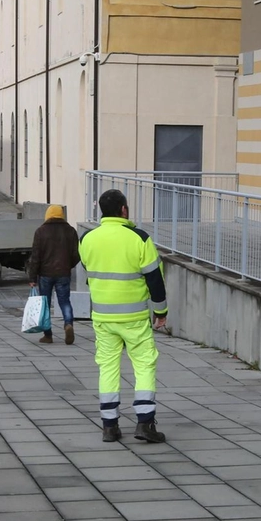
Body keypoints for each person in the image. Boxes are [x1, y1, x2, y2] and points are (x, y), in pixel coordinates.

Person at [79, 189, 168, 444]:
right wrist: (161, 311)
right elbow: (155, 279)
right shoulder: (139, 238)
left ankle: (109, 426)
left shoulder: (87, 239)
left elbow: (88, 268)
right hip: (134, 318)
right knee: (144, 365)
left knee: (107, 367)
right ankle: (144, 423)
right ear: (124, 210)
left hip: (103, 318)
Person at [27, 205, 80, 344]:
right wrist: (68, 265)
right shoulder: (71, 231)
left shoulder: (40, 231)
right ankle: (68, 324)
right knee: (64, 301)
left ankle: (48, 335)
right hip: (63, 272)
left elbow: (35, 257)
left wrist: (33, 278)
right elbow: (77, 254)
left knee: (45, 304)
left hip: (45, 274)